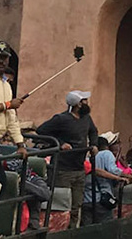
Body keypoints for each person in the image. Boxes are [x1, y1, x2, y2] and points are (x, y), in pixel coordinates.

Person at [34, 90, 97, 218]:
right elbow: (41, 130)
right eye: (85, 101)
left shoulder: (86, 118)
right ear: (79, 104)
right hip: (62, 169)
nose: (87, 103)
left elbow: (93, 131)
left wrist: (94, 144)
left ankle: (73, 227)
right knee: (61, 204)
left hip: (79, 168)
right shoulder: (61, 119)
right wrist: (60, 143)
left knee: (77, 205)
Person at [87, 132, 132, 219]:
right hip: (102, 198)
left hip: (87, 199)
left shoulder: (88, 158)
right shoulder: (107, 154)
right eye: (116, 142)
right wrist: (127, 177)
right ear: (107, 146)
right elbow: (113, 170)